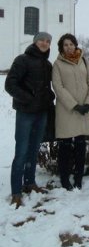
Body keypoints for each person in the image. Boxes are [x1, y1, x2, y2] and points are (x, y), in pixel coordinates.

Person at [5, 32, 55, 209]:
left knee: (34, 150)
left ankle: (30, 182)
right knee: (22, 151)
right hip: (26, 113)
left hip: (41, 113)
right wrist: (27, 98)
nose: (44, 43)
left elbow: (46, 87)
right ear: (35, 42)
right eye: (41, 40)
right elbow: (10, 84)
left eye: (48, 41)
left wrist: (49, 97)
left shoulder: (47, 64)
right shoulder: (22, 60)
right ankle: (16, 192)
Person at [52, 33, 89, 190]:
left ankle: (78, 177)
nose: (69, 47)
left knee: (80, 145)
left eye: (71, 44)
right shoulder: (57, 64)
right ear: (61, 47)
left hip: (84, 110)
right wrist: (74, 105)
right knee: (65, 146)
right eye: (65, 45)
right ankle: (64, 178)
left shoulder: (84, 60)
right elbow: (58, 87)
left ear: (75, 45)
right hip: (67, 111)